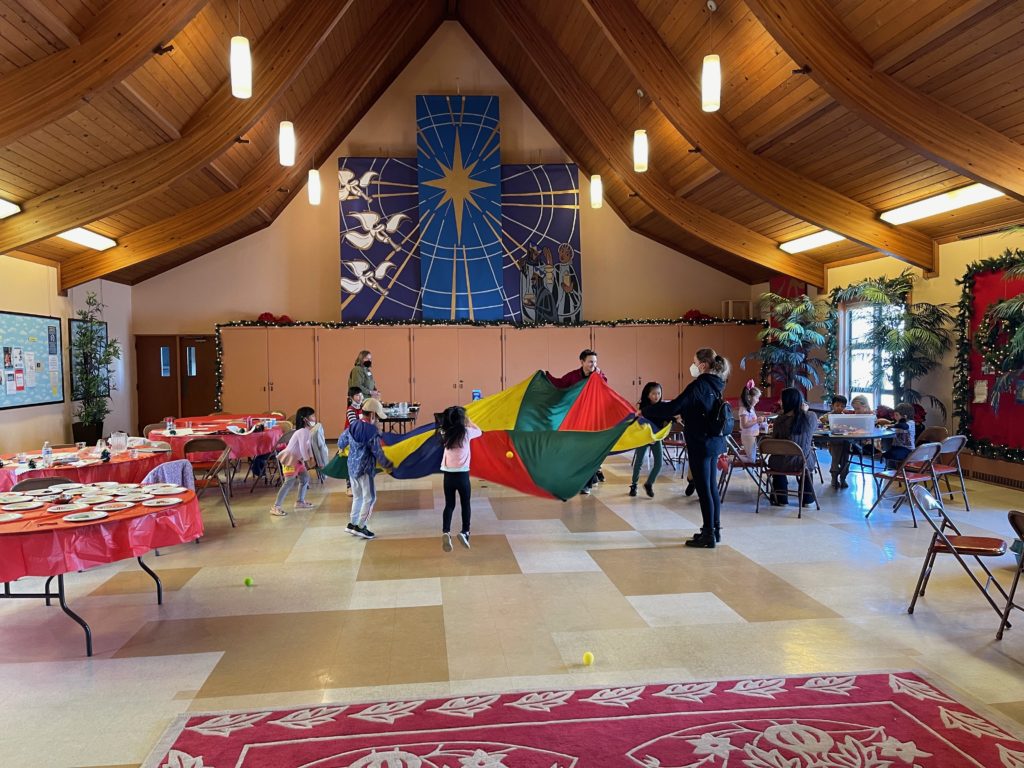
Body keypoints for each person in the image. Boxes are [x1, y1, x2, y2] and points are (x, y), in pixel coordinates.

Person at [678, 347, 732, 548]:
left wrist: (650, 411)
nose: (692, 366)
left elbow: (677, 404)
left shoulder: (701, 383)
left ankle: (708, 534)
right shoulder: (717, 383)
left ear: (702, 365)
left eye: (694, 362)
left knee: (704, 490)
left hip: (700, 443)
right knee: (711, 489)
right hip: (713, 442)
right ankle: (714, 529)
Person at [547, 349, 608, 493]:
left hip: (592, 420)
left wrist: (599, 376)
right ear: (582, 362)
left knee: (589, 451)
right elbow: (559, 384)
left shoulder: (598, 376)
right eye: (590, 362)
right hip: (575, 419)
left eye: (595, 362)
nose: (593, 364)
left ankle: (587, 483)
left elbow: (605, 388)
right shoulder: (573, 376)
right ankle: (584, 477)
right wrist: (546, 377)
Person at [337, 397, 392, 540]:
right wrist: (388, 464)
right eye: (377, 417)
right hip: (365, 469)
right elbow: (377, 451)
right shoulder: (372, 431)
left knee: (358, 497)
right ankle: (362, 526)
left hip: (352, 468)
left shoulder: (353, 425)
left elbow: (341, 442)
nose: (378, 420)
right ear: (372, 414)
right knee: (370, 498)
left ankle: (352, 523)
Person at [438, 405, 482, 551]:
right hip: (463, 475)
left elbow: (443, 425)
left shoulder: (444, 432)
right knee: (465, 504)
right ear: (462, 419)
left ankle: (446, 531)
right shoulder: (467, 432)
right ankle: (465, 532)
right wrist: (469, 421)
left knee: (449, 505)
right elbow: (480, 432)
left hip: (448, 475)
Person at [768, 388, 819, 507]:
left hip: (781, 462)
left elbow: (775, 438)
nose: (780, 402)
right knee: (806, 459)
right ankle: (807, 499)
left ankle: (781, 499)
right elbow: (812, 430)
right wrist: (804, 412)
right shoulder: (810, 417)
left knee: (777, 460)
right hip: (803, 461)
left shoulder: (780, 420)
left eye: (781, 399)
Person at [270, 406, 318, 517]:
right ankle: (276, 506)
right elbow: (302, 448)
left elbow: (308, 447)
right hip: (290, 459)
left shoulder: (307, 431)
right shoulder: (302, 432)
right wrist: (307, 460)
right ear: (305, 419)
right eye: (312, 416)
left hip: (298, 460)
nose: (314, 418)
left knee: (305, 478)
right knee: (288, 482)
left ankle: (300, 501)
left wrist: (310, 458)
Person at [630, 382, 668, 498]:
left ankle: (649, 483)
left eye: (659, 393)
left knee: (659, 463)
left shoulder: (662, 407)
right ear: (648, 395)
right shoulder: (643, 409)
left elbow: (668, 417)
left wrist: (675, 418)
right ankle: (634, 484)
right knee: (639, 462)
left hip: (657, 438)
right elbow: (638, 423)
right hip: (644, 438)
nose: (656, 396)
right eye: (653, 394)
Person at [823, 395, 852, 489]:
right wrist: (826, 421)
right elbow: (821, 421)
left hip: (845, 442)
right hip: (834, 443)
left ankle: (843, 478)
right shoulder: (828, 415)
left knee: (845, 461)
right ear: (832, 405)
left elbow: (850, 427)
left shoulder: (845, 417)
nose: (840, 408)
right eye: (837, 405)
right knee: (835, 460)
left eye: (842, 406)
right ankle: (834, 478)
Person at [343, 386, 365, 496]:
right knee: (350, 463)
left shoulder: (361, 408)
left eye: (360, 394)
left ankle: (357, 485)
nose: (360, 397)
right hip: (350, 440)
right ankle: (349, 487)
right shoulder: (351, 410)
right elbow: (354, 425)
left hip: (359, 439)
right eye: (357, 395)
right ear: (351, 398)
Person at [882, 402, 917, 467]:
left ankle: (896, 470)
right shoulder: (898, 422)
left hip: (907, 449)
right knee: (886, 453)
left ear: (904, 417)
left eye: (896, 415)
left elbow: (904, 426)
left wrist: (892, 425)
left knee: (892, 454)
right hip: (896, 446)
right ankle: (891, 469)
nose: (894, 417)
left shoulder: (911, 423)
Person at [737, 379, 764, 462]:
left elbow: (751, 421)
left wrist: (759, 422)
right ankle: (728, 460)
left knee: (753, 456)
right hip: (748, 436)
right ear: (749, 397)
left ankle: (734, 457)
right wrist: (756, 421)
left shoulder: (751, 408)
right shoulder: (744, 409)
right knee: (752, 459)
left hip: (752, 435)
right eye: (757, 398)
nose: (758, 400)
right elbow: (744, 425)